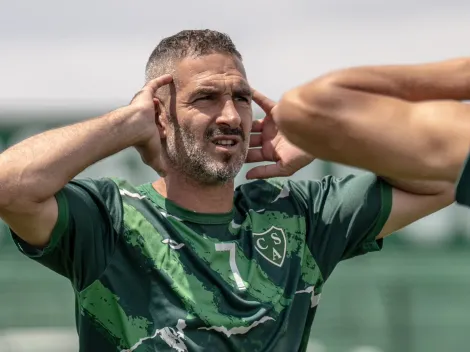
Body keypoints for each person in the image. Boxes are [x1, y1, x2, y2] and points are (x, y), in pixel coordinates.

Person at [0, 30, 454, 352]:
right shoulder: (109, 218)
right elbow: (9, 186)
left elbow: (444, 177)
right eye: (206, 98)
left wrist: (325, 139)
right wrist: (126, 124)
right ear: (160, 114)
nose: (232, 117)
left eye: (241, 97)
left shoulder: (302, 215)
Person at [272, 57, 470, 207]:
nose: (238, 117)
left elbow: (441, 187)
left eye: (244, 99)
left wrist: (321, 134)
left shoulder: (295, 211)